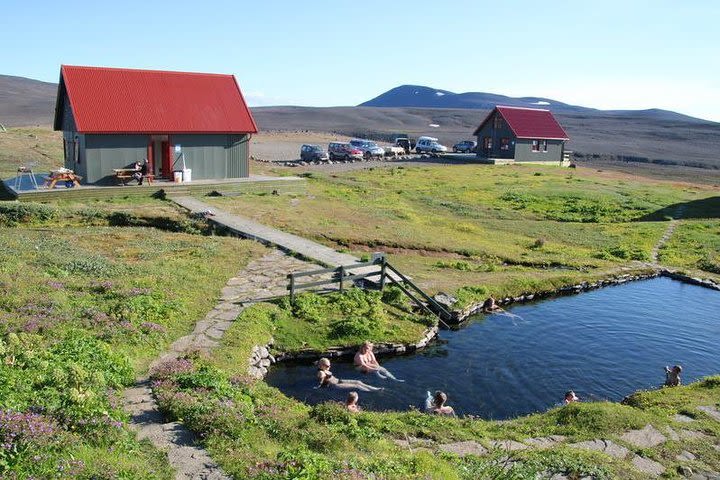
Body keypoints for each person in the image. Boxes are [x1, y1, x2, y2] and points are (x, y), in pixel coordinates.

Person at [316, 358, 382, 392]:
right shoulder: (321, 372)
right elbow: (321, 380)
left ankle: (375, 388)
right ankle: (372, 391)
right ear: (322, 365)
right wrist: (318, 386)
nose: (329, 367)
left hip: (339, 381)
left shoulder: (325, 369)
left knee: (358, 382)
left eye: (330, 365)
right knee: (356, 386)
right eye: (327, 366)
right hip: (336, 385)